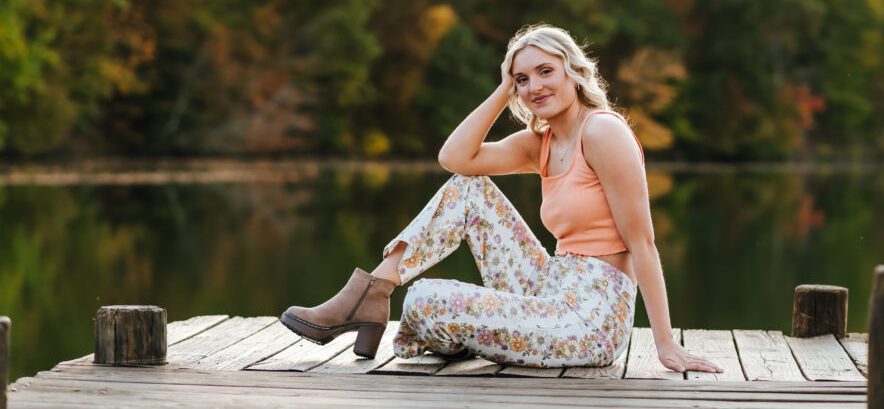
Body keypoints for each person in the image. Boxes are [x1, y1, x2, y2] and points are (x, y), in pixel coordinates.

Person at [281, 24, 723, 372]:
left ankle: (417, 319)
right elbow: (455, 158)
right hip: (551, 286)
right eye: (522, 79)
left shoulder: (604, 132)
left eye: (545, 72)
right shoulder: (542, 142)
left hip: (591, 316)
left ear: (574, 71)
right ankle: (369, 294)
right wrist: (501, 91)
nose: (534, 87)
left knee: (428, 299)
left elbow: (643, 243)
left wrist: (665, 343)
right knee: (469, 191)